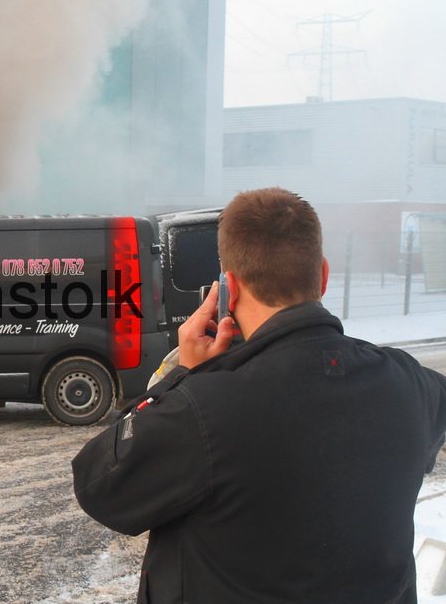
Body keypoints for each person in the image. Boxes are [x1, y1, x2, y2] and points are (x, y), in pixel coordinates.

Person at [72, 187, 446, 604]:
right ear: (323, 276)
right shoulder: (410, 383)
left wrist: (182, 374)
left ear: (228, 287)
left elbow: (97, 483)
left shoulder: (203, 408)